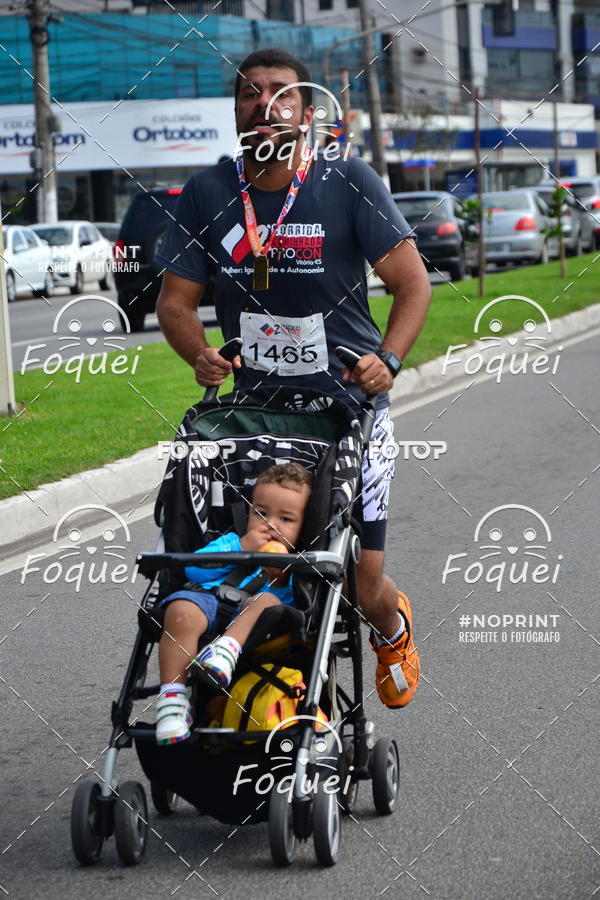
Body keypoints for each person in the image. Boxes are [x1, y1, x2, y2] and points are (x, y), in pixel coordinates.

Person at [155, 48, 432, 712]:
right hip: (253, 416)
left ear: (307, 114)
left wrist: (386, 361)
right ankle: (242, 687)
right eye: (250, 95)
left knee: (359, 583)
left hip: (348, 410)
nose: (264, 105)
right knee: (245, 557)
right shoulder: (208, 194)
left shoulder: (349, 181)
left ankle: (393, 627)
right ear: (236, 113)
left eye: (281, 93)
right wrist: (199, 354)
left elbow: (412, 284)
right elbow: (175, 303)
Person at [155, 462, 312, 745]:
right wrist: (241, 548)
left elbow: (292, 608)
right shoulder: (232, 540)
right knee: (179, 611)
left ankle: (224, 652)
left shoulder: (295, 567)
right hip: (208, 602)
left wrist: (280, 578)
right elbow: (194, 570)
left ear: (303, 528)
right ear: (248, 511)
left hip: (256, 622)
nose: (270, 525)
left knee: (267, 600)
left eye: (286, 520)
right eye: (261, 513)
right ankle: (173, 703)